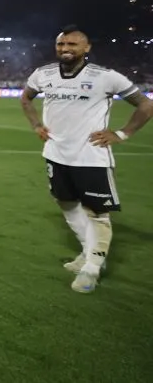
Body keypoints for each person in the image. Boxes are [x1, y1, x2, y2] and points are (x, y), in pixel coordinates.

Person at [20, 24, 152, 294]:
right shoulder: (42, 74)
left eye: (72, 44)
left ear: (86, 47)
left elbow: (146, 104)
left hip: (91, 156)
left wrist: (122, 133)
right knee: (66, 202)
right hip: (56, 154)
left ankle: (92, 268)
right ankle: (87, 252)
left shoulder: (106, 77)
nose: (65, 49)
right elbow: (26, 99)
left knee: (97, 213)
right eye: (61, 44)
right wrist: (36, 125)